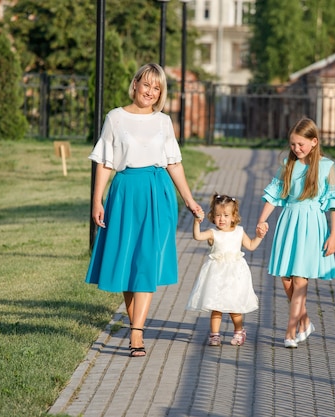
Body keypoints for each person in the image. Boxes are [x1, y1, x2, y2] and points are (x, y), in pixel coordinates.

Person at [85, 63, 204, 358]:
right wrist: (97, 200)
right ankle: (134, 323)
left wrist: (189, 200)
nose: (150, 92)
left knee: (147, 261)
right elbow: (105, 162)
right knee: (128, 261)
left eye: (157, 88)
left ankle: (136, 333)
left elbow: (174, 162)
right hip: (125, 191)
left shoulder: (163, 122)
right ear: (135, 84)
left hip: (157, 191)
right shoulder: (115, 118)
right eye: (146, 85)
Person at [256, 117, 335, 348]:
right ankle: (305, 321)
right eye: (293, 144)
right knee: (286, 279)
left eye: (301, 145)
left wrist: (334, 235)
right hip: (289, 222)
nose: (296, 149)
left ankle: (290, 331)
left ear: (314, 142)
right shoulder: (288, 163)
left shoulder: (327, 167)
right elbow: (275, 194)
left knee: (299, 277)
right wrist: (261, 220)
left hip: (312, 224)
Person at [186, 193, 266, 346]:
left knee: (234, 306)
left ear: (234, 216)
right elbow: (197, 236)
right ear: (212, 216)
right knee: (216, 306)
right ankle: (214, 334)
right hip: (216, 275)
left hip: (235, 275)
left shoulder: (239, 232)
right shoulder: (212, 233)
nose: (222, 219)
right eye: (218, 215)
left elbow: (251, 246)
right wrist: (197, 222)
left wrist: (259, 236)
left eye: (226, 215)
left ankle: (239, 331)